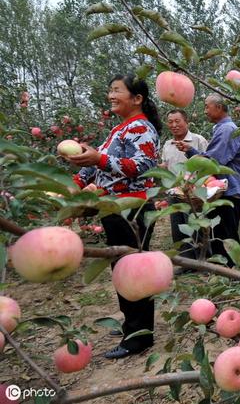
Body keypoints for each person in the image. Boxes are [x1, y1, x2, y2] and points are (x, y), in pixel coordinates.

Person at [66, 74, 161, 359]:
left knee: (134, 273)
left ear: (137, 98)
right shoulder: (119, 129)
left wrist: (99, 159)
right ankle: (131, 325)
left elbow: (143, 166)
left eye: (116, 90)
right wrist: (72, 188)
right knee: (121, 271)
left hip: (133, 209)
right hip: (114, 208)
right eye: (110, 90)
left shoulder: (141, 127)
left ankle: (139, 338)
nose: (110, 95)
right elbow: (94, 167)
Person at [175, 94, 240, 267]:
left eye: (207, 106)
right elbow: (212, 158)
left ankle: (230, 275)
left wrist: (189, 172)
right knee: (221, 235)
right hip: (224, 191)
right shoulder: (222, 129)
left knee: (225, 237)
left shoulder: (226, 129)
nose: (205, 111)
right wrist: (191, 151)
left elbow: (214, 162)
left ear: (219, 107)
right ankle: (226, 274)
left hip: (228, 191)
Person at [160, 109, 208, 261]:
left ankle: (203, 261)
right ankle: (186, 262)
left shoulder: (198, 140)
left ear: (186, 122)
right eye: (170, 122)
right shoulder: (168, 144)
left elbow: (209, 163)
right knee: (178, 227)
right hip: (174, 192)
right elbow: (166, 166)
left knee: (197, 225)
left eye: (177, 121)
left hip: (195, 192)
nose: (174, 125)